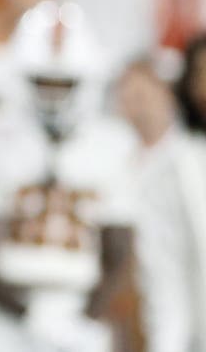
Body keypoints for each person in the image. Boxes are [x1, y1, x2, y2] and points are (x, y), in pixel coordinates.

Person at [0, 2, 136, 352]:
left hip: (78, 305)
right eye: (43, 81)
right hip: (4, 308)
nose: (53, 94)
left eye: (64, 83)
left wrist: (84, 315)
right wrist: (24, 314)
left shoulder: (113, 144)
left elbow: (119, 248)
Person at [118, 58, 206, 352]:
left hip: (178, 308)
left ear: (166, 93)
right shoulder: (116, 159)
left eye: (143, 94)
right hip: (127, 309)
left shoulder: (191, 159)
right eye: (128, 96)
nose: (136, 104)